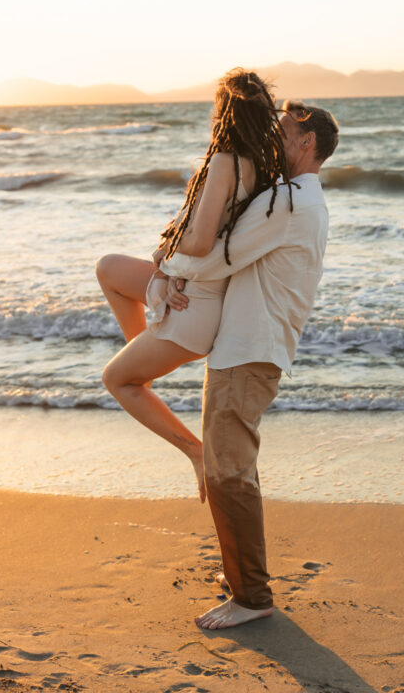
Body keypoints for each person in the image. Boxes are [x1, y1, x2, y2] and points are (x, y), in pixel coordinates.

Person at [158, 98, 339, 630]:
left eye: (281, 131)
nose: (272, 139)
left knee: (227, 474)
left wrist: (164, 267)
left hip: (249, 346)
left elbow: (222, 253)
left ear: (307, 142)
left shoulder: (288, 200)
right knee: (232, 469)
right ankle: (243, 580)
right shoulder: (305, 200)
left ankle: (251, 596)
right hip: (255, 345)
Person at [97, 69, 289, 502]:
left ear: (224, 111)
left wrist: (167, 249)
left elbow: (201, 242)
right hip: (196, 290)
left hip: (195, 305)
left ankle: (194, 452)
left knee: (117, 380)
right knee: (108, 268)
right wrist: (167, 264)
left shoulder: (225, 161)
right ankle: (145, 350)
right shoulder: (262, 166)